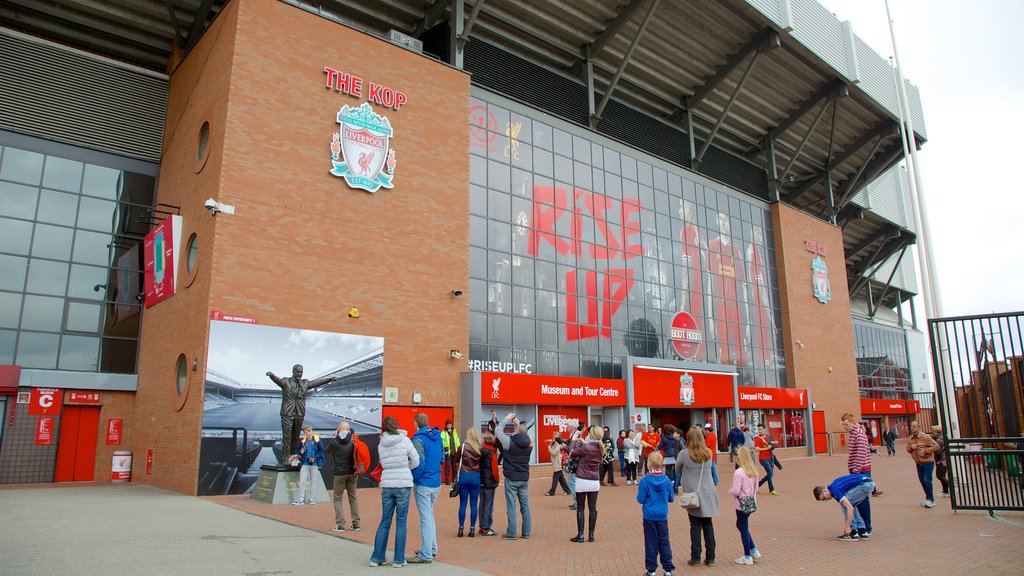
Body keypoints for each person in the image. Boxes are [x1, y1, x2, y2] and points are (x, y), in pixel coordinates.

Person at [369, 416, 419, 568]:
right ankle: (398, 559)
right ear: (396, 426)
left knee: (385, 520)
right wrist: (405, 468)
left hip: (387, 483)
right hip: (403, 483)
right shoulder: (405, 440)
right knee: (401, 521)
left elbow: (382, 463)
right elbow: (415, 460)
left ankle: (377, 557)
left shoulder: (381, 444)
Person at [266, 365, 337, 463]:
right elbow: (278, 381)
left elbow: (316, 382)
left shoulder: (305, 383)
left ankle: (293, 456)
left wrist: (329, 379)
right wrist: (271, 375)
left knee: (296, 437)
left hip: (299, 413)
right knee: (287, 437)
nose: (299, 374)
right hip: (287, 412)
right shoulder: (286, 381)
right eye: (297, 372)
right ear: (293, 371)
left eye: (301, 372)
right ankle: (285, 459)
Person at [678, 425, 719, 567]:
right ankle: (711, 557)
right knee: (708, 524)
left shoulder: (684, 453)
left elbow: (677, 469)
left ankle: (695, 557)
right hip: (707, 492)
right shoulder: (708, 452)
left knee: (694, 525)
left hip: (692, 493)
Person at [408, 413, 442, 564]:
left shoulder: (418, 439)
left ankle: (426, 553)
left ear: (416, 424)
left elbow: (418, 463)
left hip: (424, 483)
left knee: (425, 518)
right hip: (436, 481)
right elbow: (442, 458)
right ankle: (430, 548)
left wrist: (413, 479)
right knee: (429, 516)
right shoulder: (437, 437)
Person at [325, 421, 370, 531]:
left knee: (337, 499)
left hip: (339, 474)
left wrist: (335, 436)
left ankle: (340, 524)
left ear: (339, 429)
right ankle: (356, 523)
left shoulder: (335, 442)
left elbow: (327, 452)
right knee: (353, 497)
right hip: (353, 473)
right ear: (349, 430)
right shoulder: (354, 440)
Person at [636, 451, 675, 576]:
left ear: (649, 465)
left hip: (649, 515)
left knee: (651, 542)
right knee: (664, 541)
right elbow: (671, 498)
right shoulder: (667, 480)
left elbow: (640, 499)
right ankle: (668, 568)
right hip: (662, 515)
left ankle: (651, 569)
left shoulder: (645, 481)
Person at [496, 412, 533, 540]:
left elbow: (498, 430)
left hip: (511, 478)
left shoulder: (509, 442)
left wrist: (506, 419)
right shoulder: (529, 443)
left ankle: (512, 532)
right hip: (524, 477)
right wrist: (519, 426)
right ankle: (526, 532)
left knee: (511, 505)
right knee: (525, 505)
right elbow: (523, 435)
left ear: (516, 432)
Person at [812, 473, 875, 540]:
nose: (826, 500)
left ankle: (852, 532)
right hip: (869, 483)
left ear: (824, 490)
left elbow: (850, 509)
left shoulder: (834, 489)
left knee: (845, 504)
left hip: (864, 484)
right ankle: (862, 530)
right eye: (824, 500)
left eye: (824, 498)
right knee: (849, 503)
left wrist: (847, 527)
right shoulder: (834, 485)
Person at [569, 425, 604, 542]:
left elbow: (572, 452)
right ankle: (591, 535)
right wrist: (584, 443)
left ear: (591, 435)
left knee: (580, 508)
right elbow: (589, 449)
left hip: (582, 479)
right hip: (594, 481)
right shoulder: (600, 448)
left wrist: (573, 440)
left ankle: (581, 535)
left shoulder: (586, 448)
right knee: (592, 508)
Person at [728, 446, 760, 565]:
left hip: (741, 503)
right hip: (751, 502)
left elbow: (736, 491)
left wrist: (730, 491)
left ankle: (747, 555)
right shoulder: (753, 471)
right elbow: (756, 488)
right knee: (741, 525)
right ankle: (753, 549)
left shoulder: (739, 473)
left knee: (743, 528)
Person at [841, 413, 882, 497]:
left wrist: (855, 471)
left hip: (861, 468)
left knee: (862, 496)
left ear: (852, 423)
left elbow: (861, 453)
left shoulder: (858, 434)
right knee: (861, 492)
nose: (845, 427)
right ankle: (874, 490)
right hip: (857, 468)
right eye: (844, 425)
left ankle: (874, 490)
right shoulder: (852, 433)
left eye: (846, 424)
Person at [455, 427, 482, 538]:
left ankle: (461, 529)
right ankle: (472, 529)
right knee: (474, 504)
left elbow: (457, 461)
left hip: (464, 475)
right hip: (475, 476)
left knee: (463, 503)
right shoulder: (479, 448)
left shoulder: (462, 447)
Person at [907, 420, 939, 508]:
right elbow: (908, 450)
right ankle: (928, 498)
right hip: (918, 462)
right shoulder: (910, 438)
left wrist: (925, 451)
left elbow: (936, 446)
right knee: (922, 480)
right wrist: (911, 447)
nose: (912, 427)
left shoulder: (925, 437)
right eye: (911, 426)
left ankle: (931, 500)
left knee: (926, 479)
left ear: (918, 427)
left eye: (914, 426)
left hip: (928, 461)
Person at [293, 425, 325, 505]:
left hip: (314, 464)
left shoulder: (318, 440)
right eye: (306, 432)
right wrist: (301, 452)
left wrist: (315, 458)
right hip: (305, 463)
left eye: (309, 431)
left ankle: (311, 499)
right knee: (302, 481)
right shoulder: (303, 441)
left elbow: (322, 451)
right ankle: (300, 499)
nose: (308, 434)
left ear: (311, 431)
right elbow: (298, 450)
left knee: (313, 482)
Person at [477, 431, 501, 536]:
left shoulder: (479, 451)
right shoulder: (492, 452)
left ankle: (482, 525)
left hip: (480, 480)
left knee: (481, 504)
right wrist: (497, 480)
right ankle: (487, 527)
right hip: (489, 482)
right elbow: (494, 469)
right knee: (489, 505)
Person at [754, 424, 778, 495]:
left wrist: (771, 446)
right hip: (763, 459)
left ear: (764, 429)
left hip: (770, 457)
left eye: (761, 429)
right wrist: (766, 448)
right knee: (770, 473)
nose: (760, 431)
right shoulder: (757, 438)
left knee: (770, 474)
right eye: (759, 429)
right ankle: (771, 489)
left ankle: (758, 484)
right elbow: (756, 449)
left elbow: (770, 445)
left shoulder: (767, 437)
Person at [659, 425, 680, 493]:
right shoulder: (675, 437)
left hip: (668, 456)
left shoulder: (664, 438)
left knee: (668, 472)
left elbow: (660, 446)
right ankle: (676, 488)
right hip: (675, 455)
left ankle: (668, 487)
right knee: (675, 472)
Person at [441, 420, 461, 486]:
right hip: (448, 452)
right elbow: (442, 441)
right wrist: (445, 447)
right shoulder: (443, 432)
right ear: (446, 425)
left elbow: (457, 440)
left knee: (455, 467)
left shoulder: (454, 432)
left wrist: (458, 448)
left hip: (454, 452)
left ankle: (454, 480)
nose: (449, 425)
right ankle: (447, 481)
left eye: (450, 424)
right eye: (448, 424)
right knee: (447, 467)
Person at [931, 425, 949, 497]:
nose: (932, 433)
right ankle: (945, 491)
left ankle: (951, 487)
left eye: (933, 431)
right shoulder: (942, 437)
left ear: (936, 431)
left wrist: (934, 458)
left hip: (941, 460)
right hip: (944, 459)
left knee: (939, 475)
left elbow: (938, 451)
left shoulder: (938, 440)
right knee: (942, 475)